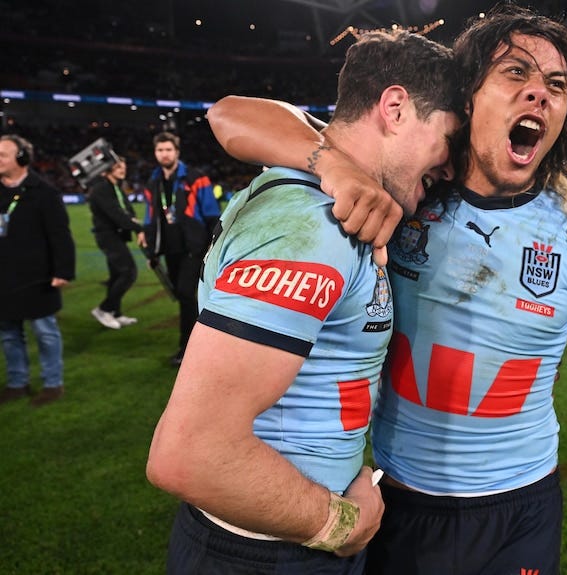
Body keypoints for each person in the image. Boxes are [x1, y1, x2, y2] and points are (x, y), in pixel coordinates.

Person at [207, 6, 567, 575]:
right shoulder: (404, 186)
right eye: (515, 72)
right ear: (469, 97)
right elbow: (229, 114)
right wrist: (331, 164)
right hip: (401, 500)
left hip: (521, 512)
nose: (539, 93)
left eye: (556, 85)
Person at [146, 30, 461, 574]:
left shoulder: (325, 191)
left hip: (278, 531)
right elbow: (191, 453)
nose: (450, 167)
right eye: (448, 138)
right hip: (269, 549)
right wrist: (339, 524)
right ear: (395, 109)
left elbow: (245, 115)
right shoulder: (312, 226)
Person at [0, 134, 75, 407]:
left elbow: (60, 235)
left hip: (37, 277)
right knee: (8, 333)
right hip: (3, 277)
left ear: (21, 158)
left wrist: (63, 270)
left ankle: (52, 383)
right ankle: (17, 382)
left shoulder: (44, 192)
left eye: (3, 155)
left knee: (45, 332)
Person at [142, 132, 221, 366]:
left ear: (177, 152)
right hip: (169, 249)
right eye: (160, 150)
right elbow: (150, 217)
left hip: (193, 248)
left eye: (168, 149)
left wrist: (212, 247)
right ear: (155, 153)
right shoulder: (153, 181)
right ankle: (203, 339)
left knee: (186, 294)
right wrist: (152, 251)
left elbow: (211, 214)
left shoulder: (196, 178)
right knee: (182, 295)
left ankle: (187, 348)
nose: (164, 154)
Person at [88, 157, 146, 329]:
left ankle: (115, 312)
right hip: (108, 236)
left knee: (116, 275)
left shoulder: (115, 187)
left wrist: (134, 222)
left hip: (117, 235)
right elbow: (116, 214)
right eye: (118, 166)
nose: (122, 169)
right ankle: (104, 309)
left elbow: (127, 210)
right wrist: (137, 227)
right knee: (128, 272)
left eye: (124, 166)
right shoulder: (101, 188)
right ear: (108, 168)